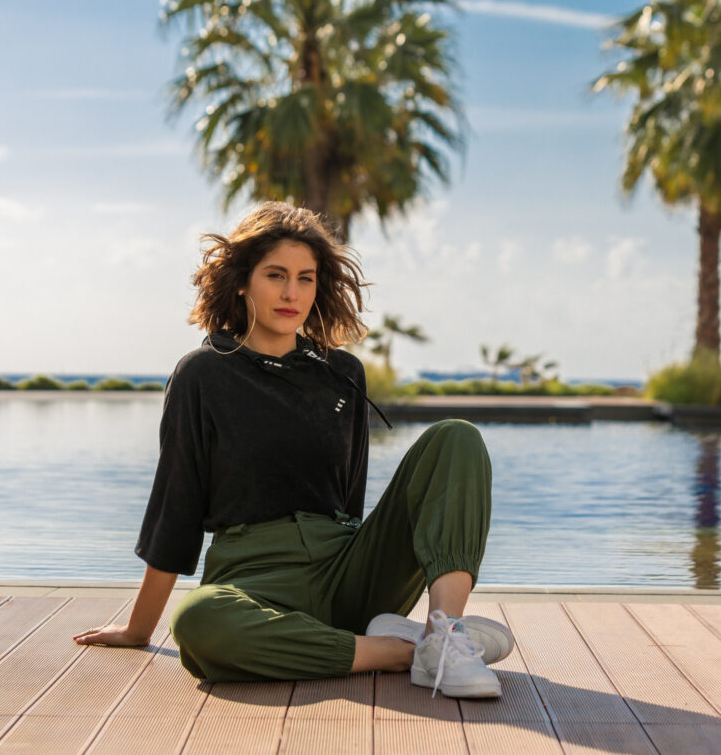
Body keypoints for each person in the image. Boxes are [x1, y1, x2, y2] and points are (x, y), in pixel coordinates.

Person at [74, 201, 513, 698]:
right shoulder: (203, 373)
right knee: (197, 621)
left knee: (457, 436)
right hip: (253, 580)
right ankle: (403, 651)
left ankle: (444, 634)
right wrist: (139, 631)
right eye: (276, 275)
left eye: (306, 278)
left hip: (346, 570)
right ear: (243, 281)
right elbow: (176, 508)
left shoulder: (343, 373)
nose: (291, 293)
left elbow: (350, 501)